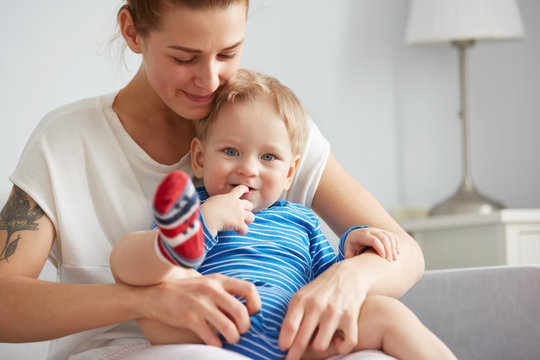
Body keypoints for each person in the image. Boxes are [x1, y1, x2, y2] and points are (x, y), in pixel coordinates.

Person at [0, 1, 425, 360]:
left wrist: (346, 279)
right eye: (184, 58)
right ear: (132, 32)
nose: (210, 81)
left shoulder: (270, 129)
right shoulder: (67, 141)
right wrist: (146, 300)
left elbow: (404, 252)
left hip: (275, 331)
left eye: (229, 52)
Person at [110, 69, 456, 360]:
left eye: (268, 158)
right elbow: (141, 272)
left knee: (388, 315)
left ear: (291, 173)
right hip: (210, 331)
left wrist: (352, 248)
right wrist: (207, 219)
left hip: (294, 335)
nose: (248, 169)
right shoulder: (193, 208)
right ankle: (179, 246)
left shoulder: (300, 220)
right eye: (231, 151)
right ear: (199, 158)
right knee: (139, 266)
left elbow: (327, 283)